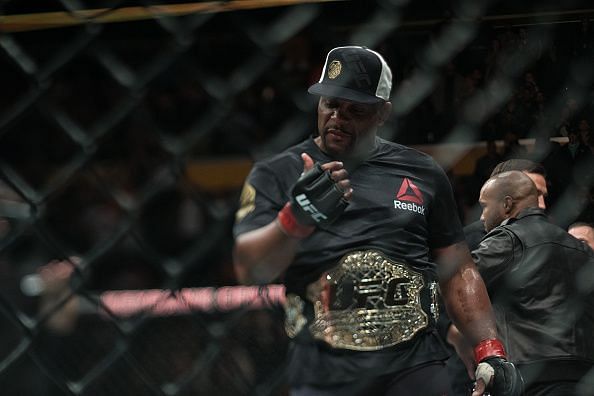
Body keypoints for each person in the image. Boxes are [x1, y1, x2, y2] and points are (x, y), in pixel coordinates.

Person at [232, 46, 522, 396]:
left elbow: (458, 269)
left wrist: (489, 349)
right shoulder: (279, 172)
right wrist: (295, 218)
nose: (338, 117)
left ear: (383, 113)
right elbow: (250, 269)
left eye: (355, 109)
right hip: (325, 369)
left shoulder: (422, 173)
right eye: (331, 104)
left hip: (414, 365)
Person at [458, 171, 594, 395]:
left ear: (507, 204)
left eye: (485, 206)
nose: (482, 217)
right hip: (583, 369)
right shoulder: (579, 247)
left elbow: (461, 283)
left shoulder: (508, 240)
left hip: (532, 370)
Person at [464, 158, 548, 251]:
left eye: (543, 196)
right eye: (533, 193)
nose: (542, 205)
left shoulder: (547, 235)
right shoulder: (468, 243)